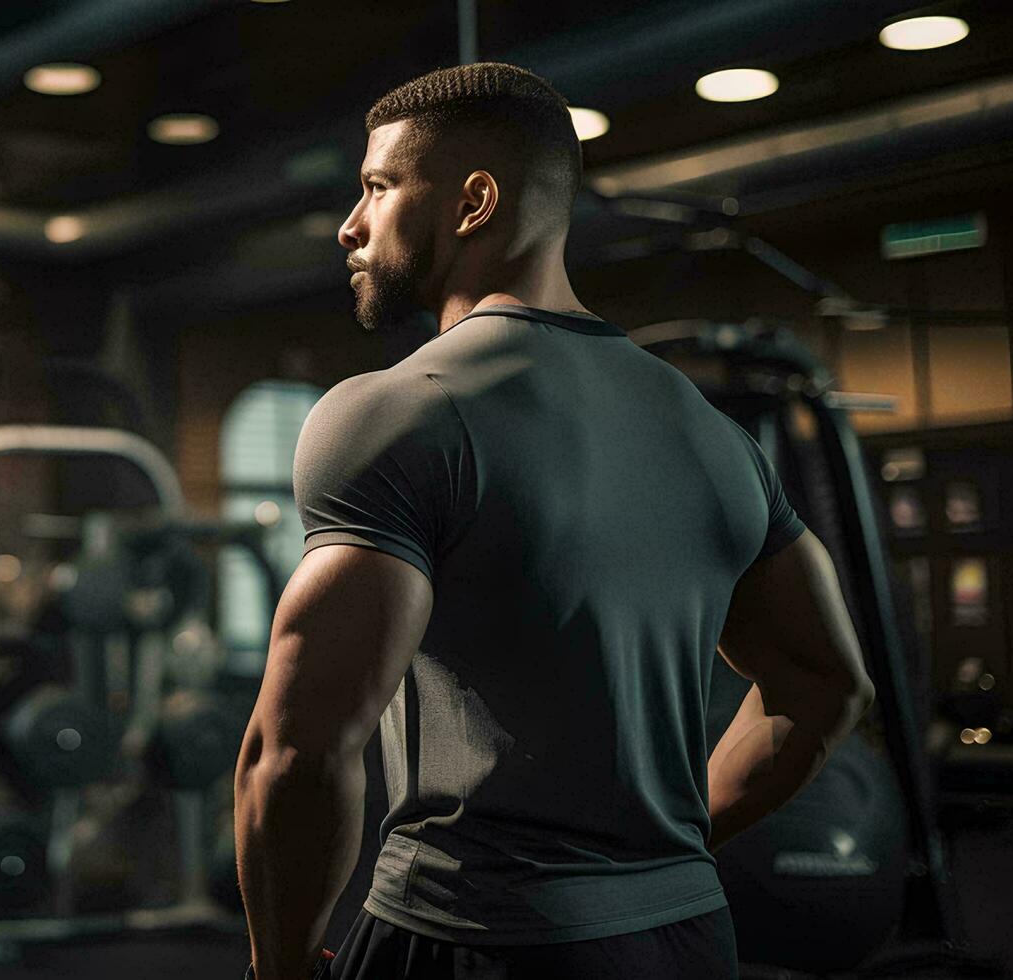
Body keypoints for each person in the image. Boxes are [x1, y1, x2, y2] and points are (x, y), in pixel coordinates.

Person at [231, 63, 875, 980]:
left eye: (376, 187)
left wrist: (281, 967)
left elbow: (293, 751)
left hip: (476, 940)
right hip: (688, 939)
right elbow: (828, 688)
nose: (350, 223)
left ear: (473, 201)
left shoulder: (393, 411)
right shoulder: (711, 433)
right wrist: (665, 846)